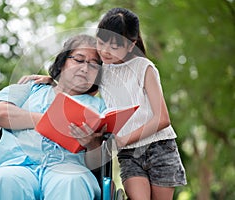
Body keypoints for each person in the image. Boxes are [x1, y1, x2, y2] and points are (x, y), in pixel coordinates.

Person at [19, 8, 187, 200]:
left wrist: (124, 140)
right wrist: (51, 79)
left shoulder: (144, 68)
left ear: (131, 44)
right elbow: (79, 87)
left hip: (160, 147)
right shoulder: (102, 70)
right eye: (101, 42)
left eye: (115, 47)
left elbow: (162, 118)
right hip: (129, 153)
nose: (105, 51)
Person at [0, 34, 108, 200]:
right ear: (62, 63)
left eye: (94, 65)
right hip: (18, 166)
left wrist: (92, 144)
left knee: (72, 183)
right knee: (2, 180)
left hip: (69, 169)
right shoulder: (30, 87)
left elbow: (98, 163)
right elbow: (0, 114)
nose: (85, 68)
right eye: (79, 60)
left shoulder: (100, 108)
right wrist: (50, 120)